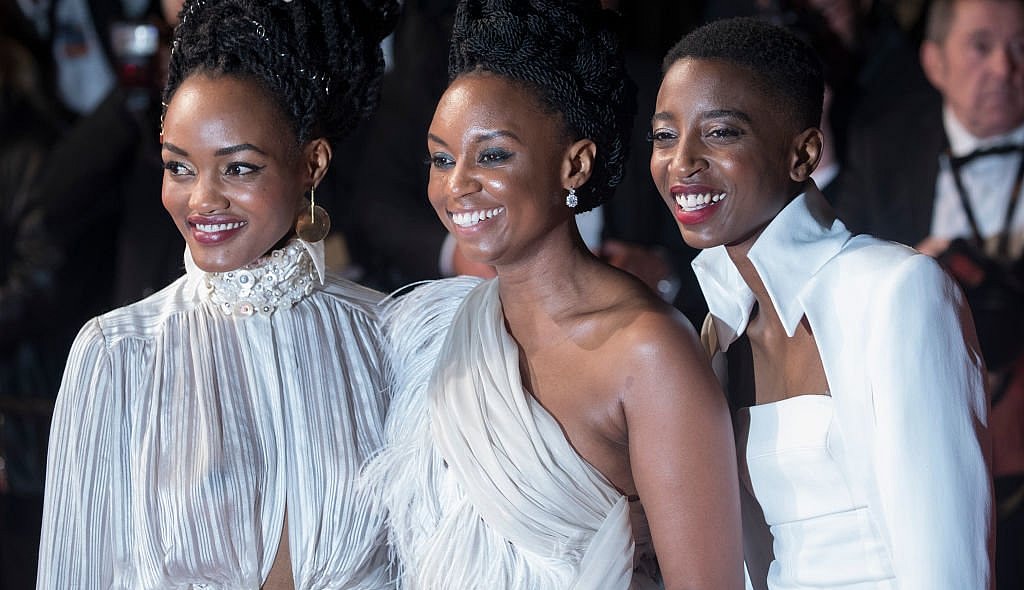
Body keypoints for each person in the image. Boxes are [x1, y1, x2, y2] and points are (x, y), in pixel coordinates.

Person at [364, 1, 743, 588]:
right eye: (442, 158)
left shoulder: (648, 351)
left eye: (492, 155)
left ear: (576, 163)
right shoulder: (437, 334)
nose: (458, 185)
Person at [36, 0, 396, 586]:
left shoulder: (388, 337)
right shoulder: (117, 354)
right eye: (179, 167)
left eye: (239, 168)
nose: (202, 199)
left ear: (312, 164)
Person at [650, 17, 993, 589]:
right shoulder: (720, 328)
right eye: (665, 135)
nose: (682, 161)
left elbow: (952, 570)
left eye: (721, 132)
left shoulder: (896, 291)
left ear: (804, 153)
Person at [835, 1, 1024, 585]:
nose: (1004, 67)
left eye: (1021, 46)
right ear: (934, 62)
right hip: (917, 424)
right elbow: (835, 289)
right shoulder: (880, 146)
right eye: (981, 45)